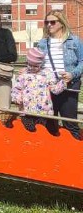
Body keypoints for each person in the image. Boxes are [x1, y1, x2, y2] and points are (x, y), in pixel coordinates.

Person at [36, 10, 83, 139]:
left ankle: (76, 153)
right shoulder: (42, 43)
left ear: (61, 23)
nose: (49, 25)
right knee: (48, 123)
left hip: (68, 85)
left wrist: (72, 74)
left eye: (52, 22)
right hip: (47, 87)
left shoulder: (74, 41)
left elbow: (82, 61)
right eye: (47, 22)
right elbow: (37, 63)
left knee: (70, 123)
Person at [12, 47, 66, 133]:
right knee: (28, 132)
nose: (32, 67)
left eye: (36, 66)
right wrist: (17, 97)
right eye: (30, 65)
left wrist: (63, 82)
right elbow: (17, 88)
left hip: (43, 111)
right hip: (27, 111)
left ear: (41, 64)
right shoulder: (24, 74)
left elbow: (54, 90)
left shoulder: (47, 73)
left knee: (42, 132)